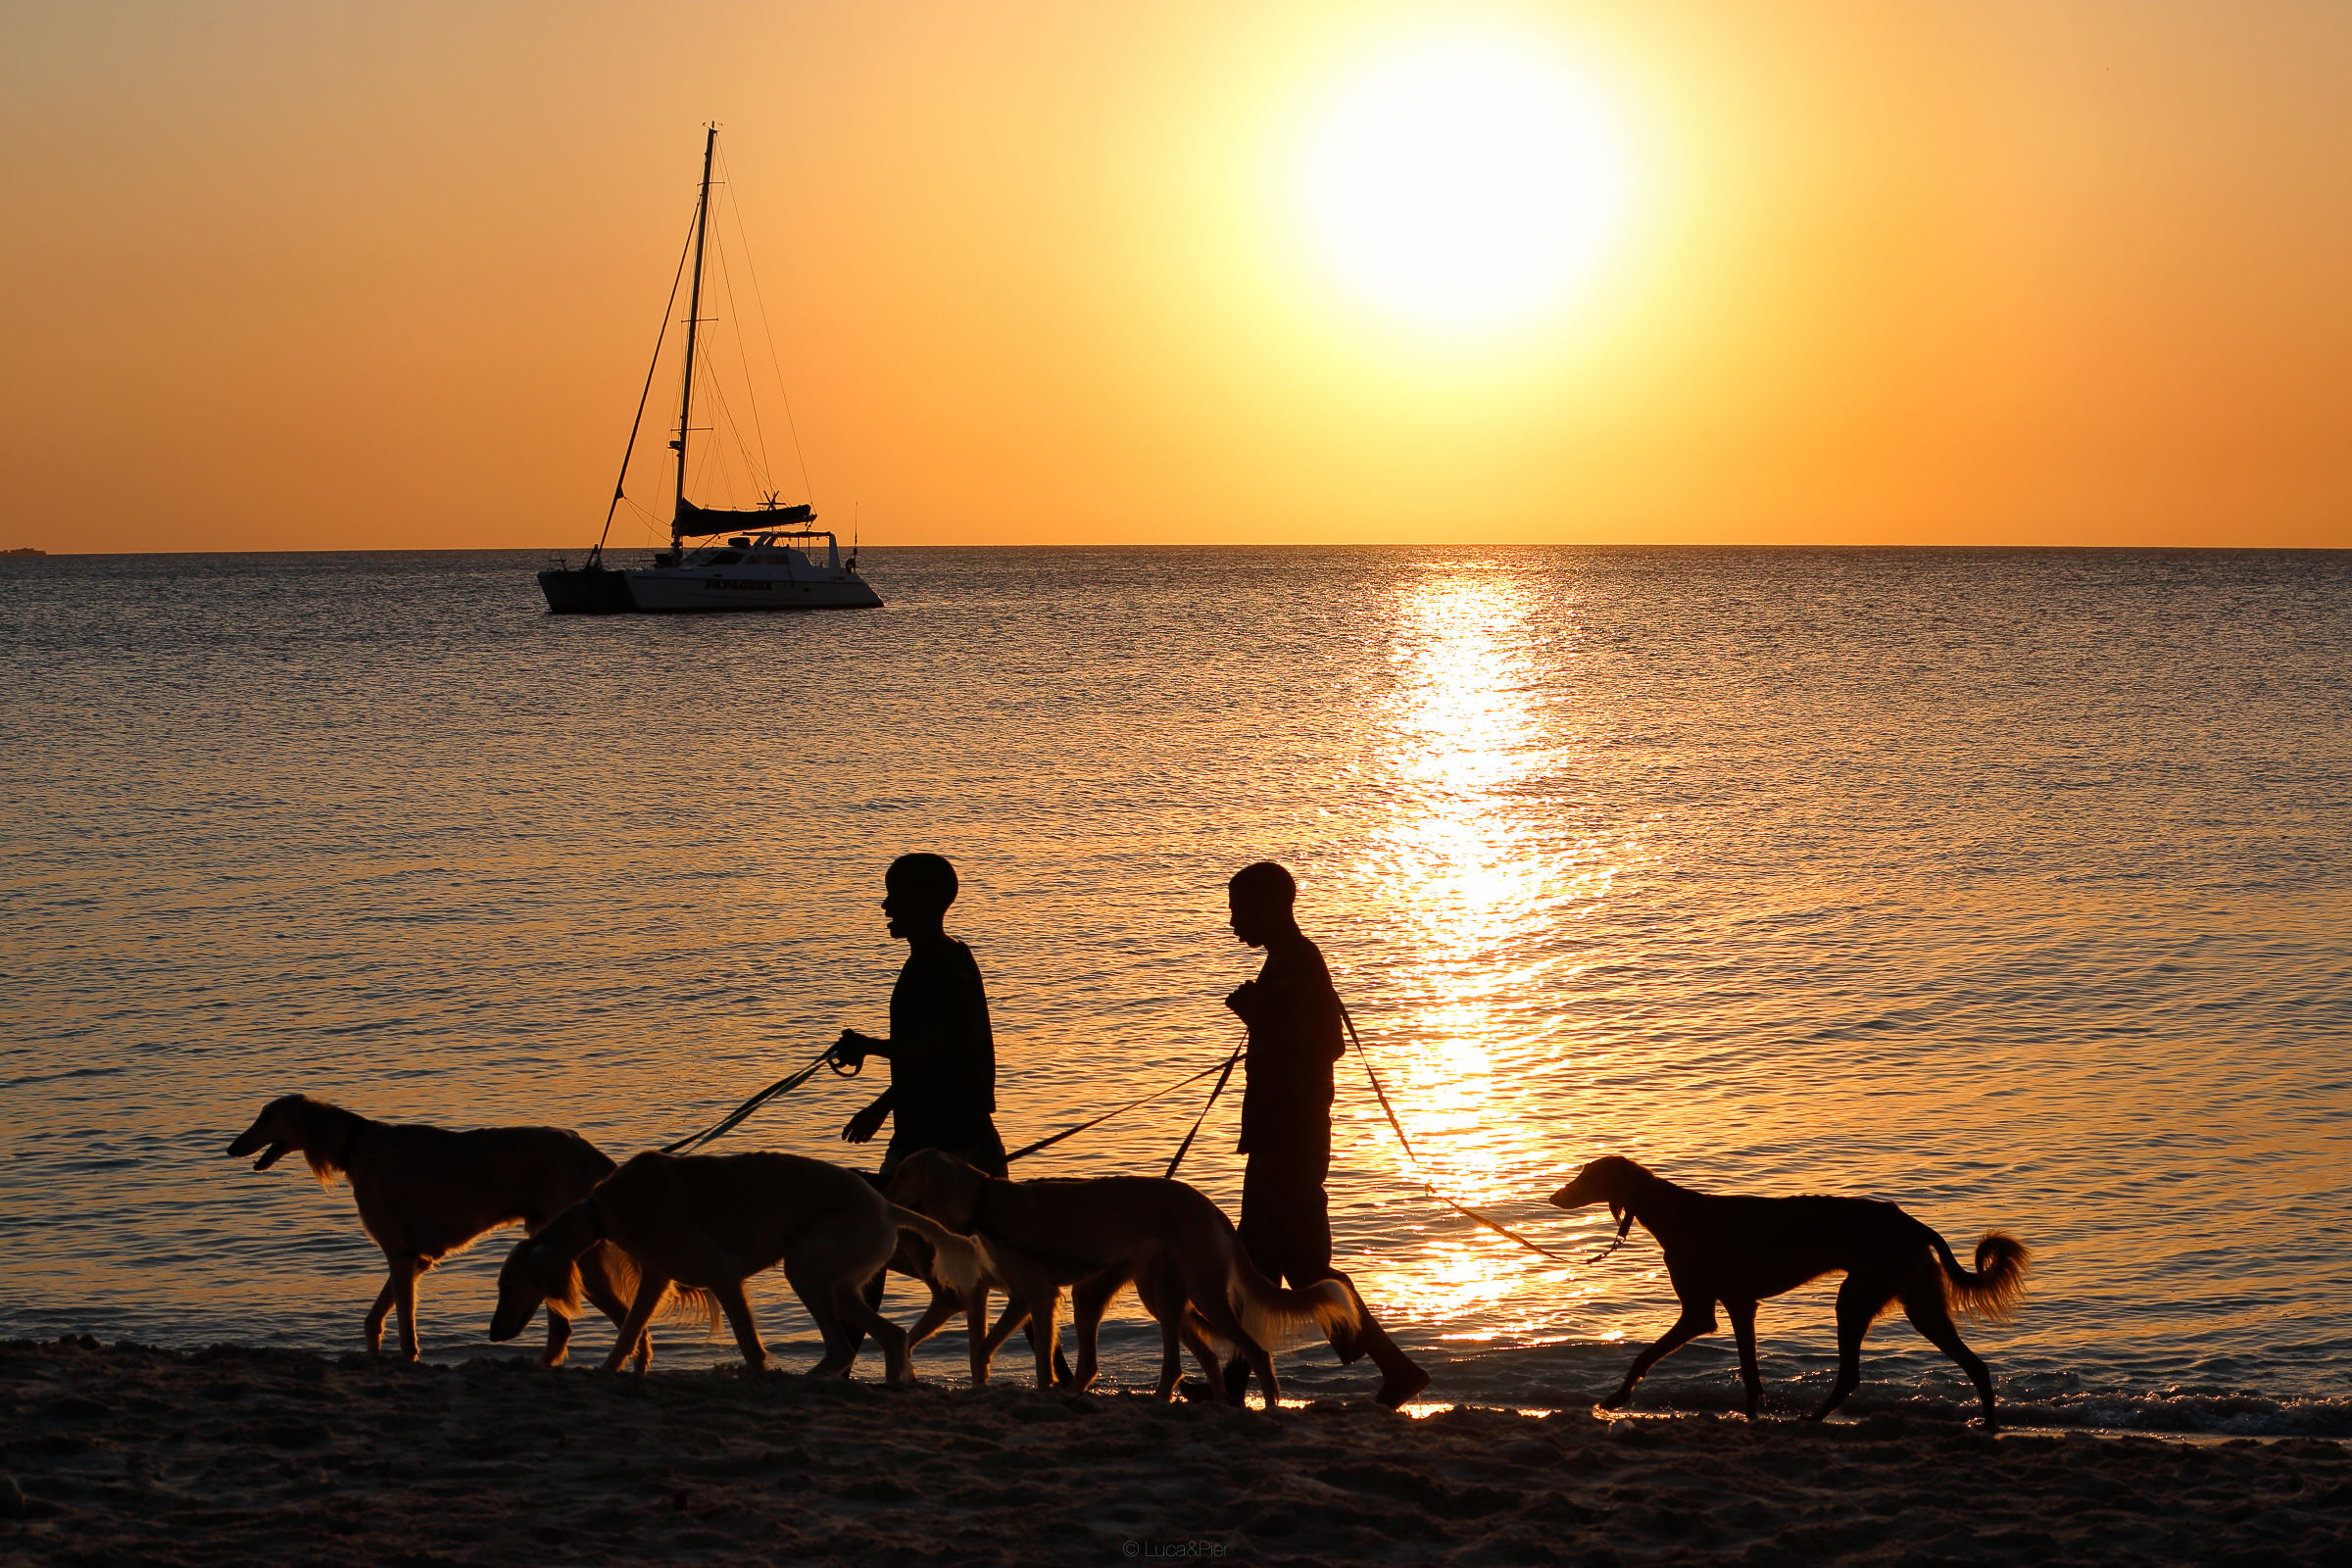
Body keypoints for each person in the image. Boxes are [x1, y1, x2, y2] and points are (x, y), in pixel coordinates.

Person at [1221, 859, 1429, 1409]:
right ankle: (1233, 1386)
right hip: (1279, 1134)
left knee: (1304, 1268)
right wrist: (1260, 1015)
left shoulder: (1297, 961)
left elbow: (1323, 1044)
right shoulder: (1288, 962)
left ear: (1271, 906)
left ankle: (1397, 1368)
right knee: (1260, 1265)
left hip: (1290, 1136)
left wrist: (1257, 1017)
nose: (1235, 922)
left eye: (1241, 910)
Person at [836, 853, 1006, 1180]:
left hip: (936, 1140)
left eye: (895, 897)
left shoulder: (931, 967)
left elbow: (929, 1053)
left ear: (919, 902)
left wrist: (869, 1054)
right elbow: (937, 1056)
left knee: (893, 1224)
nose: (886, 906)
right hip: (969, 1132)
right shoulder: (955, 955)